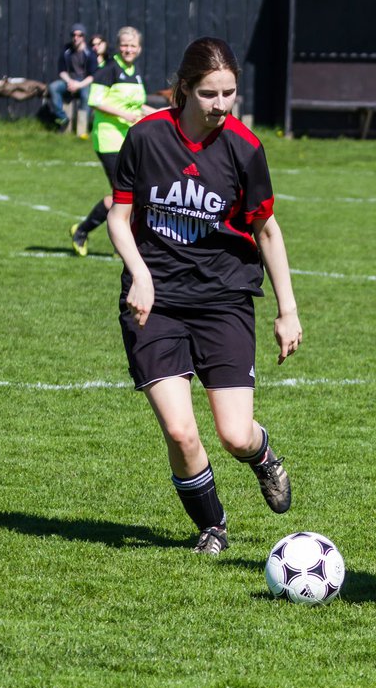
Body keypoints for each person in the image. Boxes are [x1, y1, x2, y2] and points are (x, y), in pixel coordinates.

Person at [105, 37, 302, 554]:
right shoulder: (146, 138)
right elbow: (119, 218)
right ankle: (212, 525)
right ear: (183, 89)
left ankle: (263, 458)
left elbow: (267, 232)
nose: (221, 105)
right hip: (157, 303)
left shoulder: (245, 146)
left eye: (230, 93)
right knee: (180, 432)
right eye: (210, 94)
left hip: (225, 298)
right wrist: (139, 274)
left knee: (235, 435)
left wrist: (288, 310)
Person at [70, 26, 157, 257]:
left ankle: (120, 241)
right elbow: (94, 100)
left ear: (139, 49)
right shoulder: (108, 69)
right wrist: (124, 115)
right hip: (109, 140)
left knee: (135, 194)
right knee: (124, 195)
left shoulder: (134, 72)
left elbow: (136, 106)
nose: (129, 49)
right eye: (125, 45)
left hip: (130, 141)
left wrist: (161, 113)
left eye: (133, 46)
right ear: (119, 47)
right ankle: (83, 230)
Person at [47, 23, 93, 129]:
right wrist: (70, 82)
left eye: (79, 35)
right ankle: (63, 118)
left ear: (84, 37)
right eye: (74, 35)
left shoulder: (89, 53)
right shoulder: (66, 50)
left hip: (84, 82)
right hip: (69, 80)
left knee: (86, 96)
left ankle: (82, 127)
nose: (76, 38)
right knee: (53, 87)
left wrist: (79, 85)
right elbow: (62, 71)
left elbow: (92, 76)